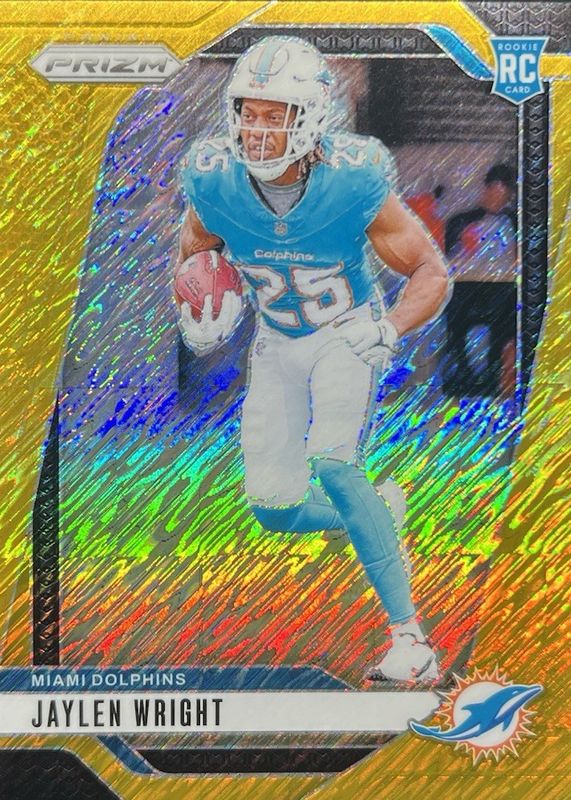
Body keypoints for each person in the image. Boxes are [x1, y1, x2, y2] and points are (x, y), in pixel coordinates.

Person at [175, 36, 449, 682]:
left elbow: (430, 272)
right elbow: (193, 254)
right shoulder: (213, 178)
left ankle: (410, 641)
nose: (256, 129)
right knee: (273, 507)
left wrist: (388, 328)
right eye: (248, 112)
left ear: (311, 117)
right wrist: (197, 305)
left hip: (342, 335)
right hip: (274, 344)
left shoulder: (352, 179)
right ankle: (379, 511)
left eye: (274, 115)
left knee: (333, 462)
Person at [443, 165, 517, 397]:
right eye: (494, 191)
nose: (498, 199)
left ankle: (494, 376)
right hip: (466, 287)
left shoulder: (515, 222)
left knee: (504, 323)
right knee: (455, 320)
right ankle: (463, 375)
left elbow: (518, 258)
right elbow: (450, 258)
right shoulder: (461, 221)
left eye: (503, 194)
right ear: (485, 189)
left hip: (502, 288)